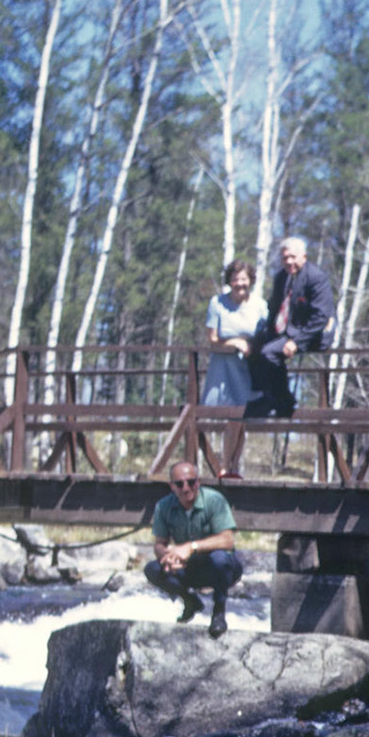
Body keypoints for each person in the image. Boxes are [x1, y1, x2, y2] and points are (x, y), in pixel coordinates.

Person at [144, 460, 242, 638]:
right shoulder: (163, 506)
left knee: (220, 559)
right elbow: (159, 543)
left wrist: (191, 547)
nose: (186, 488)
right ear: (172, 486)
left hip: (218, 569)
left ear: (198, 482)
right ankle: (190, 601)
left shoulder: (214, 501)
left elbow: (227, 540)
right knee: (152, 569)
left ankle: (219, 612)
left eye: (191, 482)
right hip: (187, 569)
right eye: (180, 484)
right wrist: (167, 557)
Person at [250, 236, 335, 419]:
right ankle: (265, 395)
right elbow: (274, 307)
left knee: (270, 352)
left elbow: (321, 317)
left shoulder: (316, 277)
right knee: (254, 346)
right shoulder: (282, 277)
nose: (288, 261)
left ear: (303, 257)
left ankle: (284, 402)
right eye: (285, 258)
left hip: (314, 334)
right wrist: (265, 332)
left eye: (293, 257)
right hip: (288, 329)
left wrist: (295, 342)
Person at [203, 259, 264, 480]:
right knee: (232, 416)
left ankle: (233, 466)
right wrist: (236, 343)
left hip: (249, 366)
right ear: (229, 280)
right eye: (236, 279)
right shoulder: (217, 303)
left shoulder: (259, 305)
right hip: (225, 366)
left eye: (244, 279)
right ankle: (224, 466)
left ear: (250, 281)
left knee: (242, 418)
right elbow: (212, 338)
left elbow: (267, 334)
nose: (240, 283)